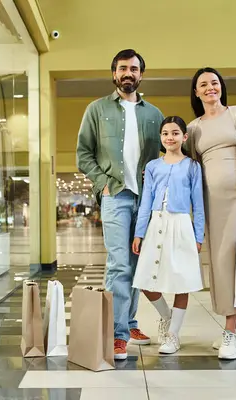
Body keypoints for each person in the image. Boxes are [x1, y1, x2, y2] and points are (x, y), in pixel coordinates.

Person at [76, 49, 165, 360]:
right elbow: (83, 154)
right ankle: (117, 334)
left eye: (134, 69)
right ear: (114, 73)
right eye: (123, 68)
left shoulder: (154, 115)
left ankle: (129, 322)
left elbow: (161, 159)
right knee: (118, 264)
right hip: (116, 196)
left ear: (142, 75)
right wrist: (103, 185)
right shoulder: (96, 110)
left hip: (146, 200)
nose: (129, 73)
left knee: (138, 262)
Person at [186, 67, 236, 360]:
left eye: (214, 83)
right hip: (210, 204)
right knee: (218, 264)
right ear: (196, 92)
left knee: (233, 262)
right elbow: (190, 168)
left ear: (221, 87)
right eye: (203, 84)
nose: (210, 88)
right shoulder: (194, 128)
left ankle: (230, 330)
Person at [132, 116, 205, 355]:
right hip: (156, 225)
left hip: (181, 225)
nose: (169, 137)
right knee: (145, 279)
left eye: (175, 133)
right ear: (161, 138)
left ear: (184, 137)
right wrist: (139, 233)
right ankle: (167, 317)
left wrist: (199, 235)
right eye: (165, 133)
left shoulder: (192, 166)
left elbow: (198, 203)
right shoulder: (153, 167)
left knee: (181, 282)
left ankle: (173, 335)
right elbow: (145, 203)